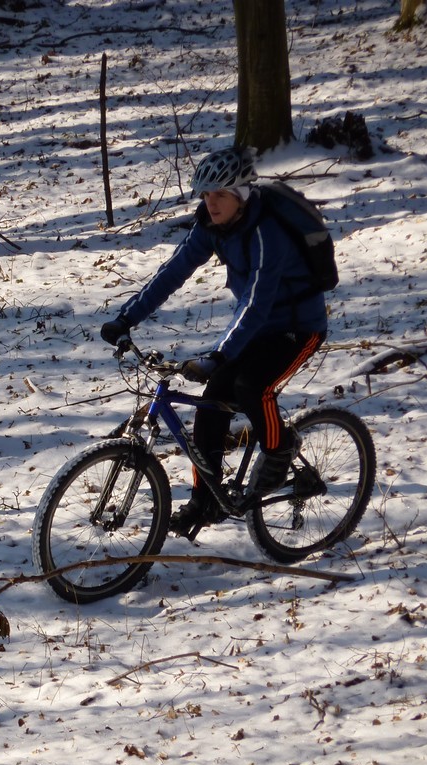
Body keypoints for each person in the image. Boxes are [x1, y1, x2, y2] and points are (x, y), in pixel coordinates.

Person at [99, 146, 328, 537]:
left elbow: (256, 303)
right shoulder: (210, 225)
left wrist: (220, 354)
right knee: (209, 407)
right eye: (206, 195)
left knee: (252, 386)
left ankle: (278, 450)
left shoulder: (266, 232)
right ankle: (203, 501)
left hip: (299, 328)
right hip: (255, 329)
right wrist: (127, 317)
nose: (211, 203)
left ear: (241, 195)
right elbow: (172, 272)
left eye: (220, 194)